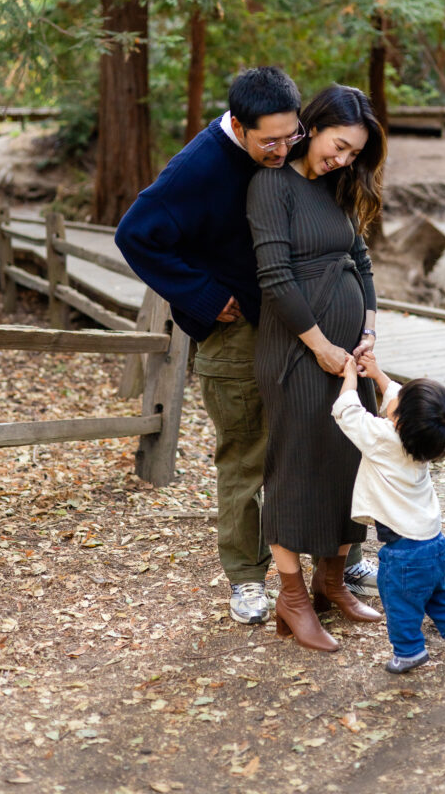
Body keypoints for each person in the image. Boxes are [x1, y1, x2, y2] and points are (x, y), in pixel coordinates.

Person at [115, 67, 375, 627]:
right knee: (247, 456)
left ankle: (336, 556)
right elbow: (134, 235)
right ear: (239, 125)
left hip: (290, 326)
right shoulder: (199, 167)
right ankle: (248, 576)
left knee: (318, 439)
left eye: (292, 135)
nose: (283, 149)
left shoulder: (294, 150)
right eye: (270, 142)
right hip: (236, 332)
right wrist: (204, 296)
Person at [246, 83, 387, 653]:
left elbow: (360, 259)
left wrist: (369, 330)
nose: (344, 159)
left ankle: (332, 582)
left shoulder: (335, 188)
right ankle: (293, 598)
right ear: (316, 124)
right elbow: (275, 276)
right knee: (296, 464)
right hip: (297, 351)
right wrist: (321, 345)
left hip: (349, 352)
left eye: (354, 153)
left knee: (350, 459)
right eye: (340, 145)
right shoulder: (270, 185)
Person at [332, 349, 445, 673]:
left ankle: (409, 652)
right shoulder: (423, 442)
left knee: (400, 600)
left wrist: (351, 377)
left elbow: (347, 413)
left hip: (403, 550)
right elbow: (400, 400)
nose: (395, 394)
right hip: (434, 542)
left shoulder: (384, 438)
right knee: (437, 589)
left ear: (399, 420)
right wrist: (378, 375)